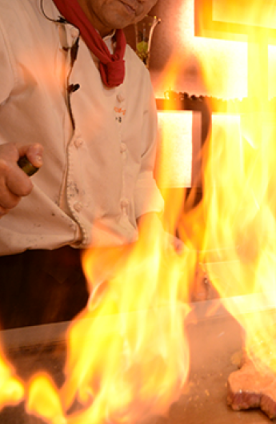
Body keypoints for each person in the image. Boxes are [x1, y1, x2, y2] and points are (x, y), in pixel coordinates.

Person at [0, 0, 165, 329]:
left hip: (114, 288)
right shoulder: (11, 20)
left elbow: (141, 178)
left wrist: (157, 250)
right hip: (20, 284)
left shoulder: (134, 71)